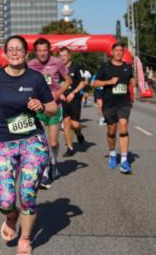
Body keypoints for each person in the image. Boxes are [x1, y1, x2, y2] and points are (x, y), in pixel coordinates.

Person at [0, 36, 57, 255]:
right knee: (5, 201)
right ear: (5, 54)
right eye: (11, 49)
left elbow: (53, 109)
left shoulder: (35, 78)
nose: (15, 53)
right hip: (5, 141)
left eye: (19, 49)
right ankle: (11, 215)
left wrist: (41, 106)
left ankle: (25, 239)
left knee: (27, 193)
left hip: (33, 141)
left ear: (26, 53)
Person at [26, 38, 72, 188]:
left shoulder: (57, 62)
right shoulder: (30, 65)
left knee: (53, 142)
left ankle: (53, 162)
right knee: (41, 141)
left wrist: (58, 93)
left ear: (49, 50)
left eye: (45, 50)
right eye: (39, 50)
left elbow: (68, 80)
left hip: (53, 106)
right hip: (37, 106)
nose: (42, 53)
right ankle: (45, 172)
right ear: (35, 51)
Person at [92, 41, 135, 174]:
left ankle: (124, 160)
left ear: (123, 52)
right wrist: (109, 82)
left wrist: (134, 81)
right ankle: (112, 154)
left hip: (124, 103)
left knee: (123, 125)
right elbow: (94, 83)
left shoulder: (127, 67)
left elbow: (131, 80)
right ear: (112, 52)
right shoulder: (105, 67)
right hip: (109, 103)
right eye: (116, 50)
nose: (118, 53)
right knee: (112, 131)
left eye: (121, 51)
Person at [57, 46, 87, 156]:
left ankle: (78, 132)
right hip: (63, 99)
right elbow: (54, 83)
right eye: (61, 56)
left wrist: (73, 92)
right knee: (66, 123)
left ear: (69, 56)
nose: (63, 58)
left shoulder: (77, 67)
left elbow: (83, 82)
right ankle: (70, 148)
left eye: (65, 55)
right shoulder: (57, 68)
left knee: (75, 124)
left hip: (75, 98)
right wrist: (59, 93)